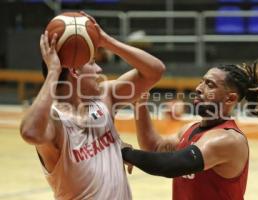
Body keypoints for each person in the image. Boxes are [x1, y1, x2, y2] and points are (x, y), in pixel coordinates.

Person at [19, 11, 165, 200]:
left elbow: (155, 71)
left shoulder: (105, 97)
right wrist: (54, 71)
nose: (99, 70)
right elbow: (29, 132)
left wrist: (107, 41)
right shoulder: (56, 122)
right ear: (75, 71)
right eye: (93, 62)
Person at [122, 62, 258, 200]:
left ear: (230, 99)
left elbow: (170, 166)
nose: (198, 88)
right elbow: (155, 147)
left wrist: (125, 153)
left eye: (210, 85)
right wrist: (139, 103)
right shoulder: (191, 128)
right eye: (201, 82)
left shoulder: (228, 139)